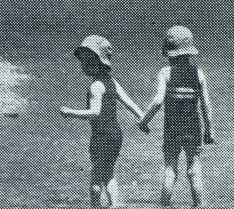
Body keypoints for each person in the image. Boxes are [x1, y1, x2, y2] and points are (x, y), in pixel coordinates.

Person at [61, 34, 145, 207]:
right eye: (83, 62)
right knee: (109, 174)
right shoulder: (112, 81)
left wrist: (70, 112)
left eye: (87, 62)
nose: (83, 66)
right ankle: (114, 205)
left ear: (99, 62)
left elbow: (95, 113)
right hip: (116, 135)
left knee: (96, 177)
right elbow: (129, 102)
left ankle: (95, 206)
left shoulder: (95, 86)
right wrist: (142, 118)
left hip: (101, 137)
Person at [137, 26, 215, 208]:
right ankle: (199, 205)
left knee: (170, 169)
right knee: (194, 168)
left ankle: (164, 205)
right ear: (190, 51)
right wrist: (209, 130)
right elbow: (206, 104)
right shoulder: (198, 73)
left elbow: (157, 101)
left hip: (172, 129)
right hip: (193, 129)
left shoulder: (165, 73)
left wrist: (144, 121)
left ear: (169, 52)